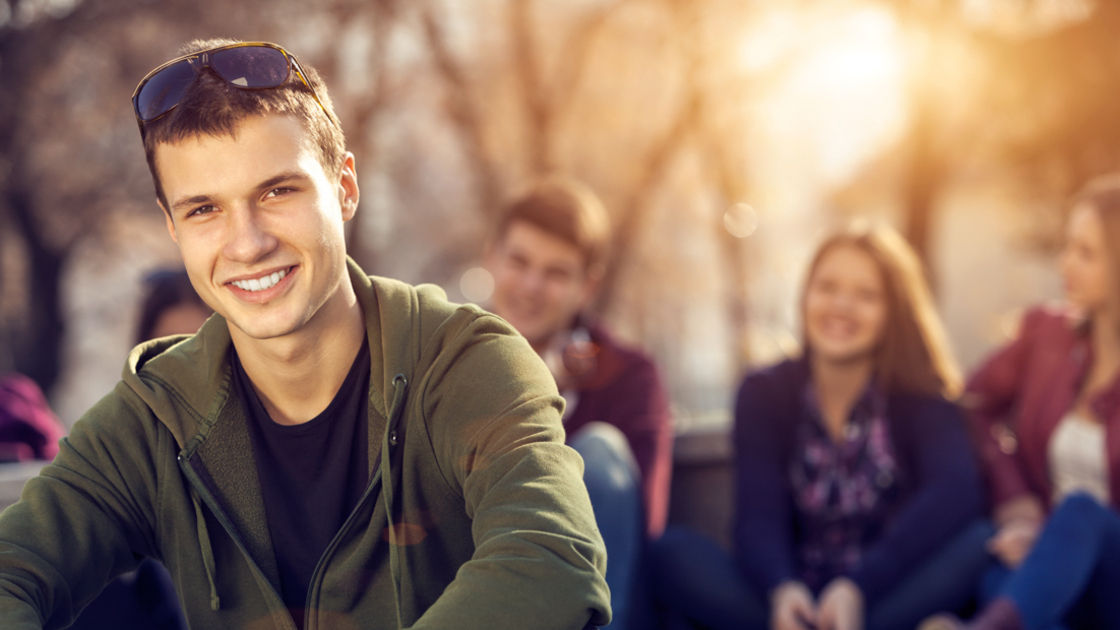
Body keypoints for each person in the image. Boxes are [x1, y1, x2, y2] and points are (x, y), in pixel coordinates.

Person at [0, 39, 609, 630]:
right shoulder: (155, 417)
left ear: (343, 188)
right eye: (204, 209)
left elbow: (550, 557)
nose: (248, 243)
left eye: (277, 191)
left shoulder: (464, 363)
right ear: (173, 227)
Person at [649, 223, 989, 630]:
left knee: (979, 541)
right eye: (827, 287)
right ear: (806, 295)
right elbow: (758, 515)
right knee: (673, 554)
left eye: (866, 295)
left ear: (893, 312)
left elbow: (954, 494)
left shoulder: (924, 396)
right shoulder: (763, 392)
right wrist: (781, 589)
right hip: (790, 602)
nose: (841, 306)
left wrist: (856, 589)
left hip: (884, 595)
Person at [922, 175, 1120, 630]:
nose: (1065, 263)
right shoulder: (1045, 335)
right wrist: (1015, 498)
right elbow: (972, 401)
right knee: (1001, 574)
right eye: (1068, 246)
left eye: (1085, 253)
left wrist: (1059, 534)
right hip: (1051, 567)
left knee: (1082, 512)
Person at [485, 177, 673, 629]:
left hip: (597, 593)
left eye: (556, 273)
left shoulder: (629, 374)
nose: (531, 285)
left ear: (586, 287)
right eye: (519, 262)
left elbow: (644, 513)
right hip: (489, 584)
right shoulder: (447, 364)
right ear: (492, 258)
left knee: (600, 451)